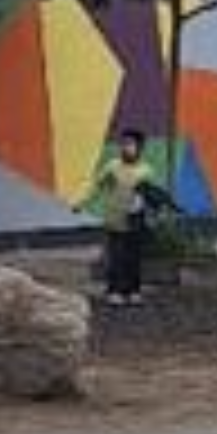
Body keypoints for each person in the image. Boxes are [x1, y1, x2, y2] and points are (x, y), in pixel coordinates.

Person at [82, 130, 160, 308]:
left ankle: (133, 291)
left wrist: (153, 214)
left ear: (140, 148)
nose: (126, 148)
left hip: (136, 219)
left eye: (131, 145)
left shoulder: (146, 170)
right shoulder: (112, 167)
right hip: (115, 219)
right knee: (116, 256)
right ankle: (114, 291)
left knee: (134, 258)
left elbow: (151, 195)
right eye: (124, 144)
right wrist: (82, 203)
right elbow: (97, 187)